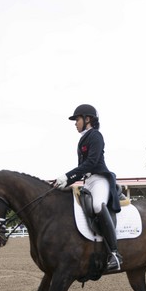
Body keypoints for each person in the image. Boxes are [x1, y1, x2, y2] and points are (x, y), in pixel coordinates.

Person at [53, 104, 123, 271]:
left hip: (99, 179)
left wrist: (67, 176)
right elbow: (81, 170)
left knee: (98, 205)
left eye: (77, 119)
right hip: (88, 182)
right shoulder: (82, 139)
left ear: (87, 119)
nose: (75, 123)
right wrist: (63, 182)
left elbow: (91, 163)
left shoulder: (96, 136)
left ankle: (114, 253)